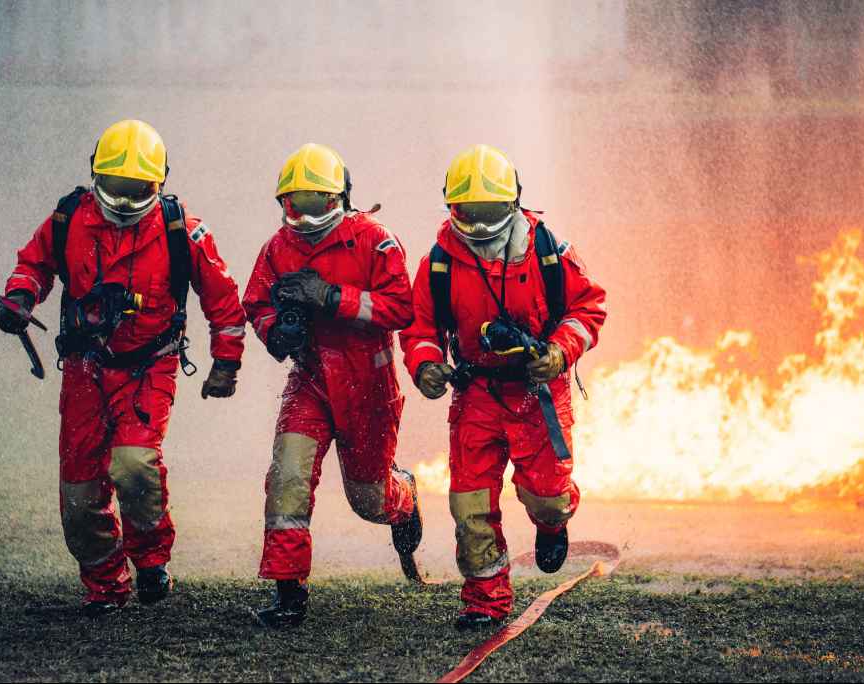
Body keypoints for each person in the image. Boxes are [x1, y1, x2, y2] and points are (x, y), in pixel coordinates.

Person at [0, 119, 245, 616]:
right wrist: (19, 298)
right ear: (95, 175)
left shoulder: (182, 231)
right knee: (79, 489)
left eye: (138, 190)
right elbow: (34, 265)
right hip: (84, 367)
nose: (126, 201)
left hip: (150, 365)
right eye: (115, 187)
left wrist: (226, 363)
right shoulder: (68, 219)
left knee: (134, 463)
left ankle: (151, 561)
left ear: (160, 183)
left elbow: (223, 299)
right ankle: (105, 585)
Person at [399, 144, 607, 629]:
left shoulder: (549, 250)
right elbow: (419, 328)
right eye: (467, 212)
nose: (477, 224)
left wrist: (558, 352)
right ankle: (485, 602)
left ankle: (553, 524)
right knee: (470, 505)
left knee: (548, 495)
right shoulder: (439, 262)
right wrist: (426, 365)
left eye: (488, 212)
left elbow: (589, 308)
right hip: (477, 394)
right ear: (451, 206)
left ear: (513, 202)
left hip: (538, 394)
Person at [242, 143, 423, 627]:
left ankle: (404, 498)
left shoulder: (375, 240)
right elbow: (256, 302)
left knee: (369, 500)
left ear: (339, 197)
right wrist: (276, 331)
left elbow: (400, 308)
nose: (304, 215)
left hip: (368, 385)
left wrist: (331, 297)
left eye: (315, 202)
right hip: (311, 379)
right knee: (288, 475)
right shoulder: (277, 248)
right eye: (294, 203)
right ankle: (288, 591)